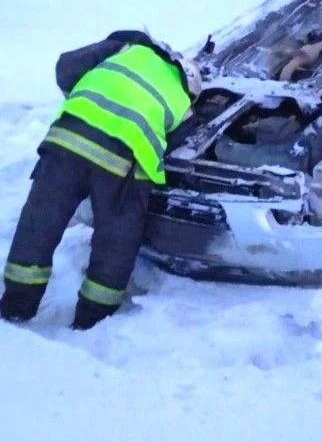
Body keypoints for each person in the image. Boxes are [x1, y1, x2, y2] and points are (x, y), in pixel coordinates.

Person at [0, 30, 202, 330]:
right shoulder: (185, 104)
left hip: (67, 140)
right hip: (121, 165)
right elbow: (171, 147)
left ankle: (16, 307)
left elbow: (66, 68)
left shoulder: (128, 49)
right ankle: (93, 320)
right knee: (116, 240)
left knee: (39, 222)